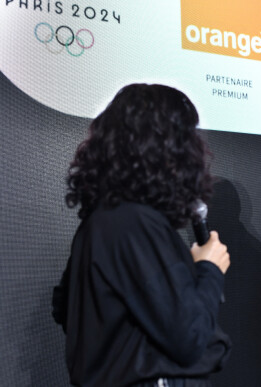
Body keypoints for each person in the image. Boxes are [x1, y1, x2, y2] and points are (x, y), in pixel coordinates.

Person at [52, 83, 232, 387]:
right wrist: (209, 269)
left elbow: (65, 309)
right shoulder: (134, 223)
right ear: (168, 149)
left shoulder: (100, 223)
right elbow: (190, 338)